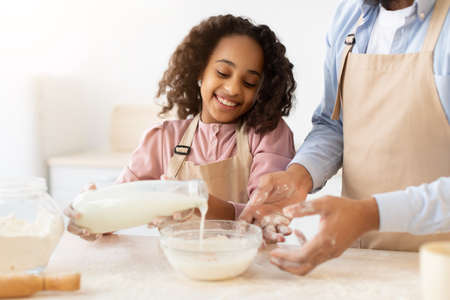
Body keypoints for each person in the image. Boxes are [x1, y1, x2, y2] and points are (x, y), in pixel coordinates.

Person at [240, 0, 450, 275]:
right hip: (363, 260)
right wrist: (298, 177)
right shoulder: (349, 16)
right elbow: (334, 123)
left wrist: (371, 214)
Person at [65, 15, 297, 242]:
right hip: (179, 270)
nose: (233, 88)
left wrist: (196, 201)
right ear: (199, 70)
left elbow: (266, 212)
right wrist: (92, 216)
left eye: (249, 83)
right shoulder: (164, 139)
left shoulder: (269, 135)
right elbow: (119, 209)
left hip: (251, 269)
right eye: (223, 73)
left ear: (261, 90)